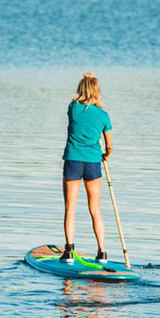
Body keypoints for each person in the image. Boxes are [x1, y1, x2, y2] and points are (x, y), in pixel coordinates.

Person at [61, 73, 112, 263]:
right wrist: (105, 156)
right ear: (97, 91)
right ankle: (102, 252)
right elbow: (110, 145)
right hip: (92, 163)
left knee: (70, 208)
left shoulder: (73, 108)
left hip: (73, 161)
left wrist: (87, 78)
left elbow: (77, 100)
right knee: (95, 209)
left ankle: (68, 251)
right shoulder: (103, 115)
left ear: (81, 89)